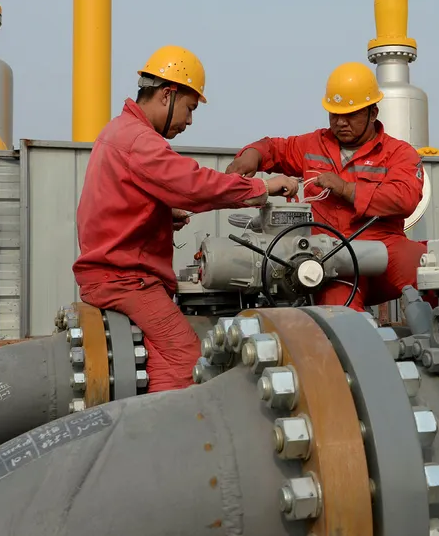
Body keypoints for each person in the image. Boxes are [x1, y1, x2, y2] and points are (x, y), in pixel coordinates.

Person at [73, 45, 299, 393]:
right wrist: (262, 187)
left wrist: (160, 216)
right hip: (127, 280)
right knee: (188, 362)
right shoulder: (139, 141)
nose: (190, 120)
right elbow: (193, 185)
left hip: (114, 275)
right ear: (167, 95)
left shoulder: (117, 132)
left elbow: (115, 207)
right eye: (190, 108)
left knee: (161, 363)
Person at [225, 61, 426, 312]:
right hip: (331, 255)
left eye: (350, 115)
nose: (340, 122)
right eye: (334, 114)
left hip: (384, 248)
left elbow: (405, 198)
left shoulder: (399, 153)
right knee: (340, 314)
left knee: (426, 270)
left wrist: (346, 189)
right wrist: (252, 155)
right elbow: (274, 148)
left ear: (373, 113)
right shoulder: (313, 144)